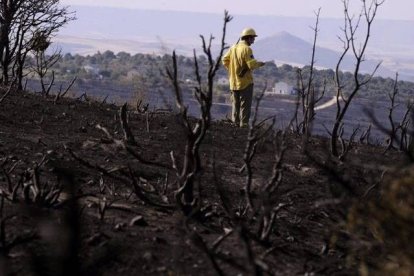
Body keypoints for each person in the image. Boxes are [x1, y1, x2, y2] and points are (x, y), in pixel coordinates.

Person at [222, 27, 265, 128]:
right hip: (245, 83)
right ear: (248, 38)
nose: (253, 41)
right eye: (253, 38)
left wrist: (232, 69)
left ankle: (235, 125)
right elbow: (251, 65)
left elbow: (224, 60)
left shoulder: (233, 48)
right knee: (245, 106)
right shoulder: (247, 49)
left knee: (235, 106)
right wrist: (260, 64)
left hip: (233, 82)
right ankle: (244, 126)